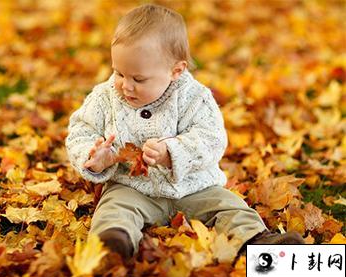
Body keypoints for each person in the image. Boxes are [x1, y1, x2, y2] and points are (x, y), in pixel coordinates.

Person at [65, 4, 304, 260]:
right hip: (133, 187)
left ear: (175, 71)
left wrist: (172, 152)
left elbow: (211, 139)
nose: (126, 86)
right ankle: (113, 245)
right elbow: (81, 130)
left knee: (229, 206)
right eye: (119, 73)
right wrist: (94, 158)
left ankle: (261, 245)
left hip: (195, 187)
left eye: (139, 79)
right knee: (114, 209)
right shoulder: (105, 97)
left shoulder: (194, 97)